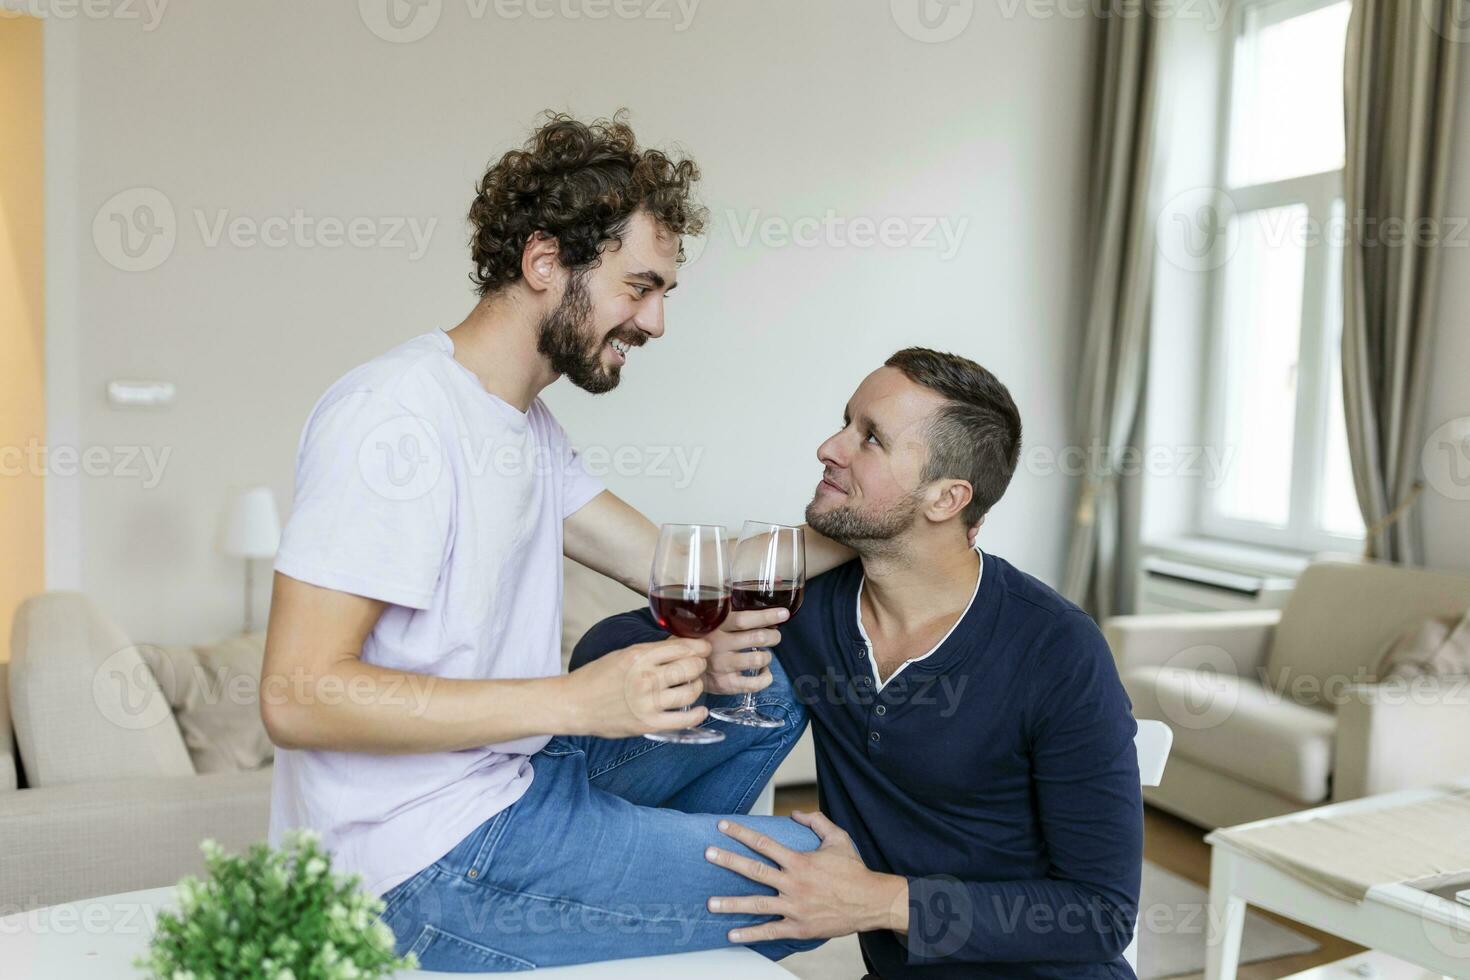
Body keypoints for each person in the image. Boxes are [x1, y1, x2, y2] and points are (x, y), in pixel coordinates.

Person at [259, 111, 851, 971]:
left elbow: (690, 569)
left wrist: (882, 522)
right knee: (807, 881)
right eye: (638, 287)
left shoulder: (525, 427)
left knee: (772, 691)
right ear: (545, 263)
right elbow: (297, 694)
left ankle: (623, 912)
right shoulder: (396, 418)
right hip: (409, 868)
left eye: (662, 295)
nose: (654, 323)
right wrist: (577, 702)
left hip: (511, 784)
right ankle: (614, 916)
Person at [573, 348, 1144, 979]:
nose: (829, 446)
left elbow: (1101, 913)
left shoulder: (1057, 650)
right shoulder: (809, 605)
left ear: (947, 498)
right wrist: (703, 651)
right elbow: (600, 649)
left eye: (869, 438)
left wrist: (879, 900)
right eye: (845, 422)